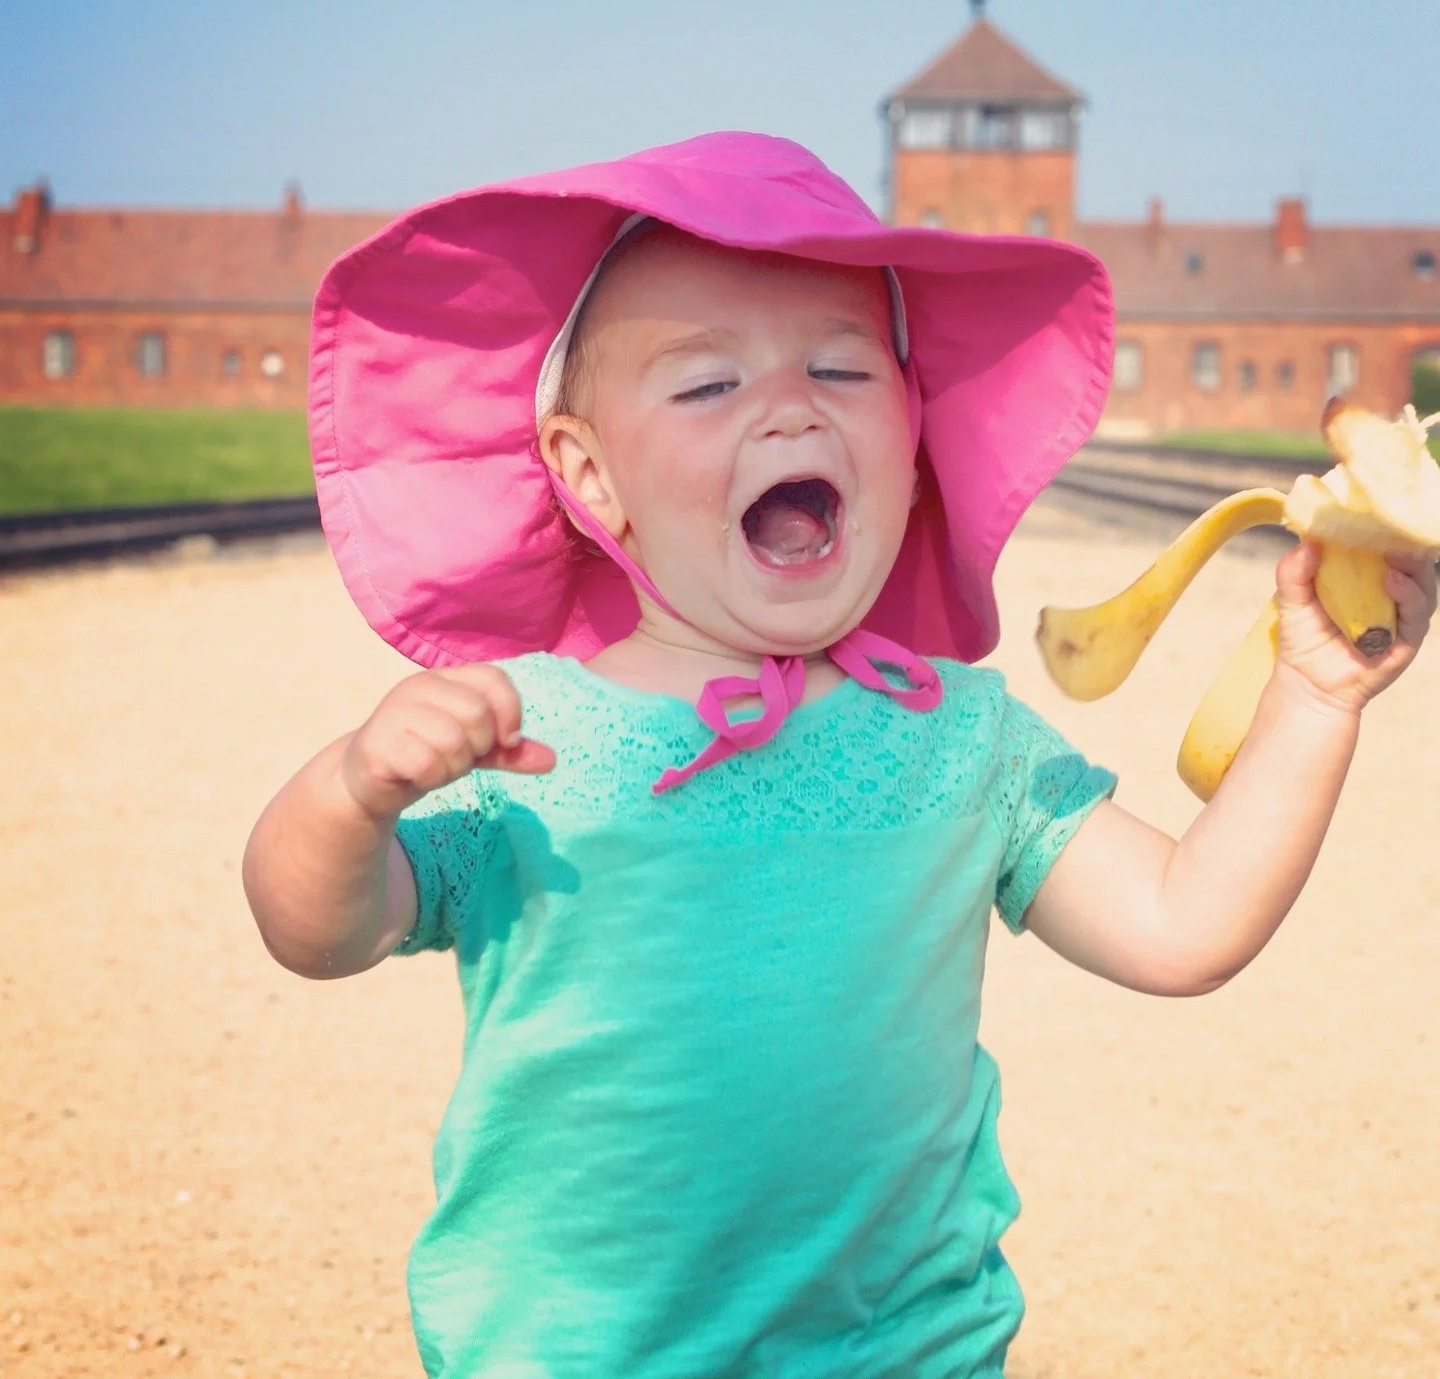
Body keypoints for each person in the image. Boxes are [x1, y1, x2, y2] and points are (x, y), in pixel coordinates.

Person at [242, 132, 1435, 1378]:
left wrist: (1315, 695)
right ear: (591, 477)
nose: (791, 405)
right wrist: (347, 794)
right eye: (707, 387)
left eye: (842, 369)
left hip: (903, 1351)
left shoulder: (961, 741)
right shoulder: (520, 732)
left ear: (912, 442)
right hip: (570, 1352)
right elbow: (319, 932)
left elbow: (1183, 928)